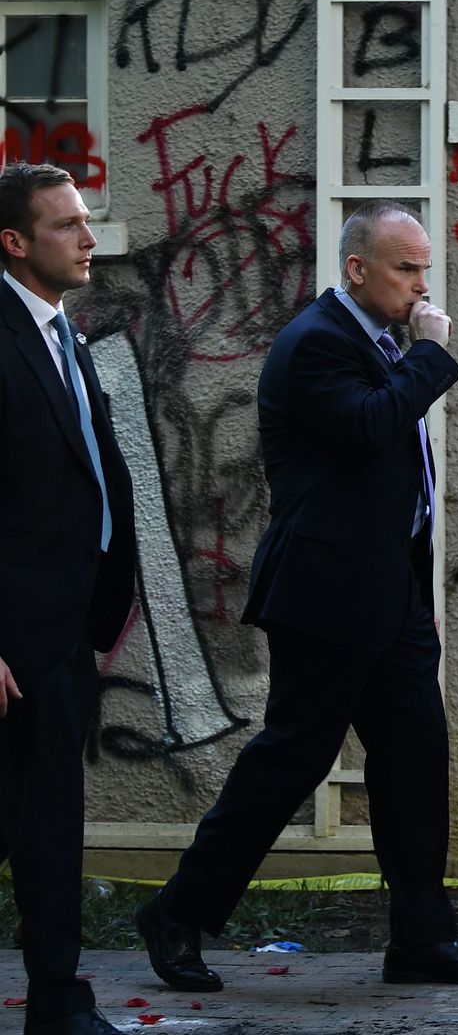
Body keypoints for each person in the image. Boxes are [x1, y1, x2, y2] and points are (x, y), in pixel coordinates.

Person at [133, 201, 458, 991]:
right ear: (357, 269)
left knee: (414, 761)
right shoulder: (315, 345)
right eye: (406, 268)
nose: (421, 285)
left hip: (391, 595)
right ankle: (177, 911)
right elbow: (371, 426)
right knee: (291, 759)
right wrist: (432, 356)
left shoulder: (377, 341)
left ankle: (421, 940)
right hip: (326, 595)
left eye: (424, 269)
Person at [0, 163, 138, 1035]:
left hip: (62, 629)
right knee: (40, 824)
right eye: (66, 226)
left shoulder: (63, 335)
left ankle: (57, 998)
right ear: (13, 243)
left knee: (47, 823)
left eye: (86, 221)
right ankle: (57, 1000)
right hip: (13, 639)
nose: (89, 238)